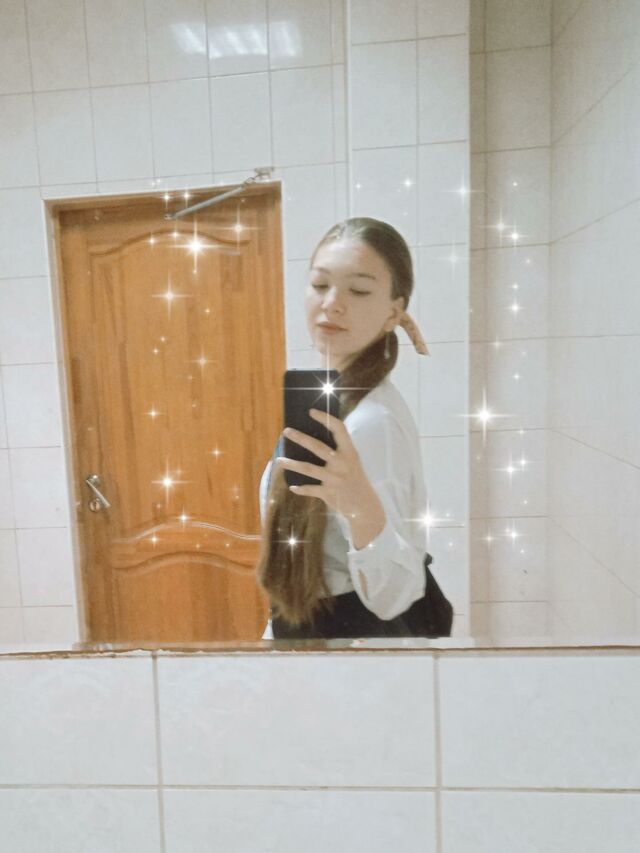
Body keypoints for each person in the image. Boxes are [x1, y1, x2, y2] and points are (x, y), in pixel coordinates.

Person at [256, 217, 432, 639]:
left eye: (359, 291)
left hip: (346, 643)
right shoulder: (336, 397)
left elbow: (395, 595)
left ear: (394, 311)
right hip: (313, 632)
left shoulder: (372, 423)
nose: (332, 304)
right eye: (320, 285)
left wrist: (358, 504)